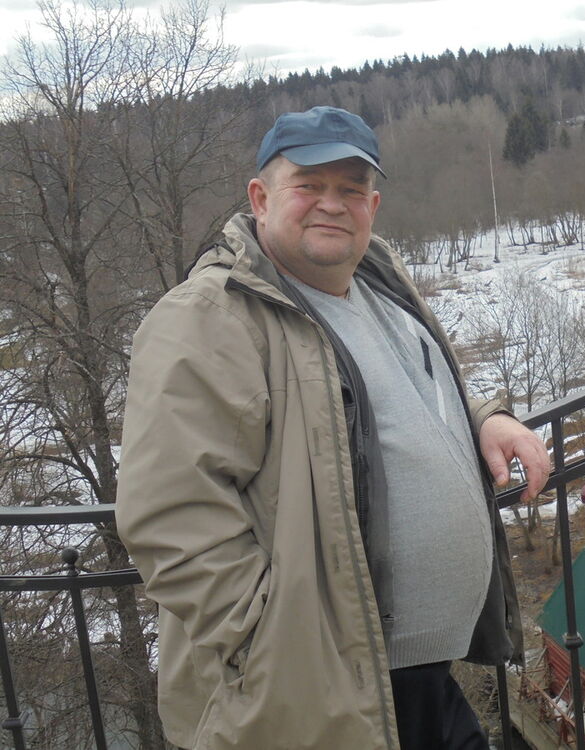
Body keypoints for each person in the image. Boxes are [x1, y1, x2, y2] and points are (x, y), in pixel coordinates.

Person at [116, 106, 550, 750]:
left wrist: (485, 419)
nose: (331, 204)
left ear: (373, 205)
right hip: (313, 696)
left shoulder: (378, 285)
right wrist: (279, 645)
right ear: (260, 199)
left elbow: (402, 400)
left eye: (350, 189)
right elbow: (170, 516)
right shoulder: (211, 317)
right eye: (309, 185)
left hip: (420, 677)